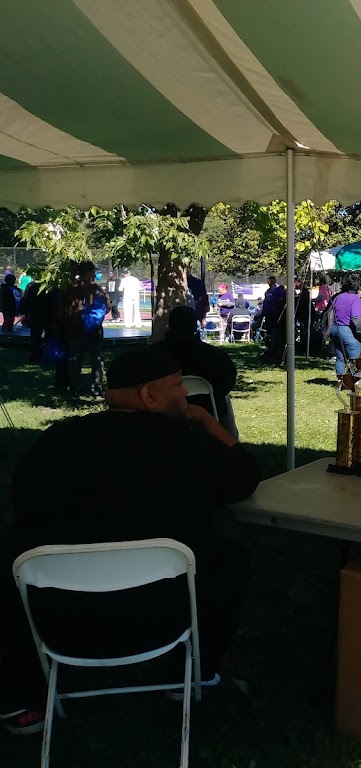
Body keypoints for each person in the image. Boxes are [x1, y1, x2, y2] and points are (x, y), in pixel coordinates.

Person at [0, 346, 260, 734]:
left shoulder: (55, 442)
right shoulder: (183, 443)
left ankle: (22, 700)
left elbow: (23, 507)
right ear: (150, 397)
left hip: (57, 614)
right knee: (231, 559)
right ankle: (194, 674)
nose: (185, 396)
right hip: (163, 612)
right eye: (177, 386)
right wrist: (208, 422)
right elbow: (244, 477)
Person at [151, 305, 238, 429]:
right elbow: (226, 385)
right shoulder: (216, 356)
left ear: (170, 324)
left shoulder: (152, 355)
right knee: (225, 400)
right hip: (209, 410)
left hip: (163, 411)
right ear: (194, 325)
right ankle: (230, 441)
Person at [64, 261, 109, 398]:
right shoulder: (95, 289)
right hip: (94, 331)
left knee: (75, 360)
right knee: (96, 359)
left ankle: (73, 388)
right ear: (89, 273)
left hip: (75, 329)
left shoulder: (71, 288)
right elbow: (107, 307)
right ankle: (95, 388)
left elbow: (65, 309)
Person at [329, 280, 361, 379]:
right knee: (356, 355)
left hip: (334, 328)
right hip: (346, 329)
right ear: (358, 288)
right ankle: (354, 380)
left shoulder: (338, 297)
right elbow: (356, 318)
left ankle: (340, 379)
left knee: (340, 355)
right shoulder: (355, 299)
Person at [260, 276, 287, 364]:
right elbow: (265, 303)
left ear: (273, 281)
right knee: (269, 331)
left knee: (274, 333)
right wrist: (263, 313)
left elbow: (280, 301)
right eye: (268, 281)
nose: (269, 283)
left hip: (275, 315)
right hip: (268, 314)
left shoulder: (278, 290)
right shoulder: (267, 291)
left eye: (270, 281)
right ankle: (269, 347)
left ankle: (274, 350)